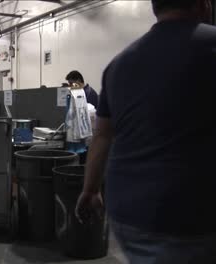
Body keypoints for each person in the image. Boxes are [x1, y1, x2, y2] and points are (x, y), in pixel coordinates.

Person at [75, 0, 216, 263]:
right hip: (196, 214)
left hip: (129, 213)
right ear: (203, 5)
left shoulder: (118, 65)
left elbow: (103, 135)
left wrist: (90, 189)